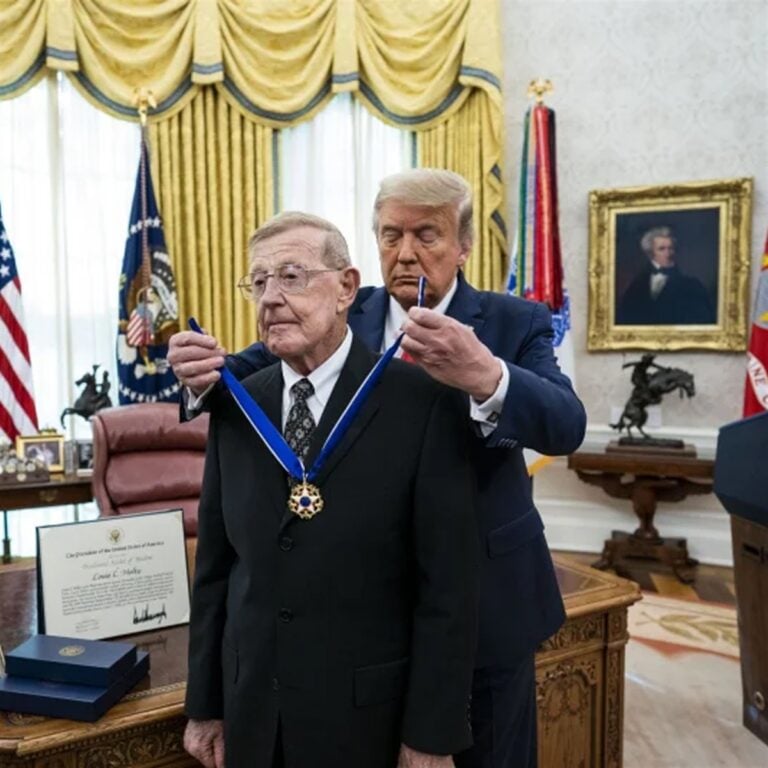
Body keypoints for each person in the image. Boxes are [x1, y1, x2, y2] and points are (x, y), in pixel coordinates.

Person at [170, 169, 587, 768]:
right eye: (392, 235)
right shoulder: (344, 309)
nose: (407, 251)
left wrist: (486, 376)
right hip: (369, 618)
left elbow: (566, 424)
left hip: (487, 602)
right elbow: (249, 371)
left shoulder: (513, 321)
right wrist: (193, 375)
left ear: (463, 246)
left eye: (427, 234)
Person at [183, 211, 479, 768]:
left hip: (368, 719)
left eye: (292, 276)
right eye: (260, 281)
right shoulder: (236, 405)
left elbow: (447, 591)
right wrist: (204, 705)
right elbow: (218, 571)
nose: (270, 297)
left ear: (347, 287)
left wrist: (431, 735)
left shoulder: (424, 404)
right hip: (252, 717)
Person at [615, 226, 715, 325]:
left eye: (671, 248)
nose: (668, 253)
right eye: (661, 249)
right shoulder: (637, 285)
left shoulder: (692, 285)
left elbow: (702, 321)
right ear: (650, 253)